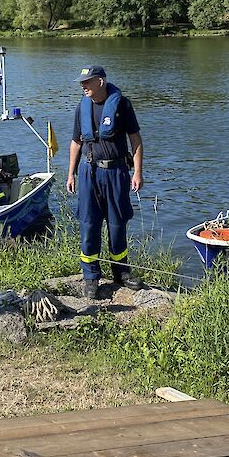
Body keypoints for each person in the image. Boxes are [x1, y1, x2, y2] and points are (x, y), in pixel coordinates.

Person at [67, 65, 145, 299]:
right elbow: (76, 143)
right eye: (82, 83)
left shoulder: (121, 104)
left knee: (117, 223)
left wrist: (138, 172)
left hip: (116, 172)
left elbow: (136, 140)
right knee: (89, 224)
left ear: (100, 81)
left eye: (87, 82)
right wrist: (71, 174)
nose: (83, 86)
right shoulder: (82, 107)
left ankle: (121, 273)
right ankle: (91, 277)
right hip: (88, 172)